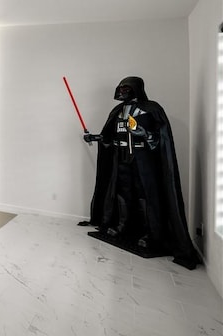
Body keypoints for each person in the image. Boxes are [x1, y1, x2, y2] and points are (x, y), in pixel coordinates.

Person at [83, 76, 199, 270]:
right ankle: (121, 226)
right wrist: (96, 137)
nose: (121, 91)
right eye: (120, 88)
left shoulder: (151, 109)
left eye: (126, 88)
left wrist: (144, 134)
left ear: (136, 89)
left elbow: (160, 137)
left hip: (142, 159)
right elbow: (110, 137)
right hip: (121, 158)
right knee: (122, 193)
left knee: (145, 194)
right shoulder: (118, 112)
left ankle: (149, 233)